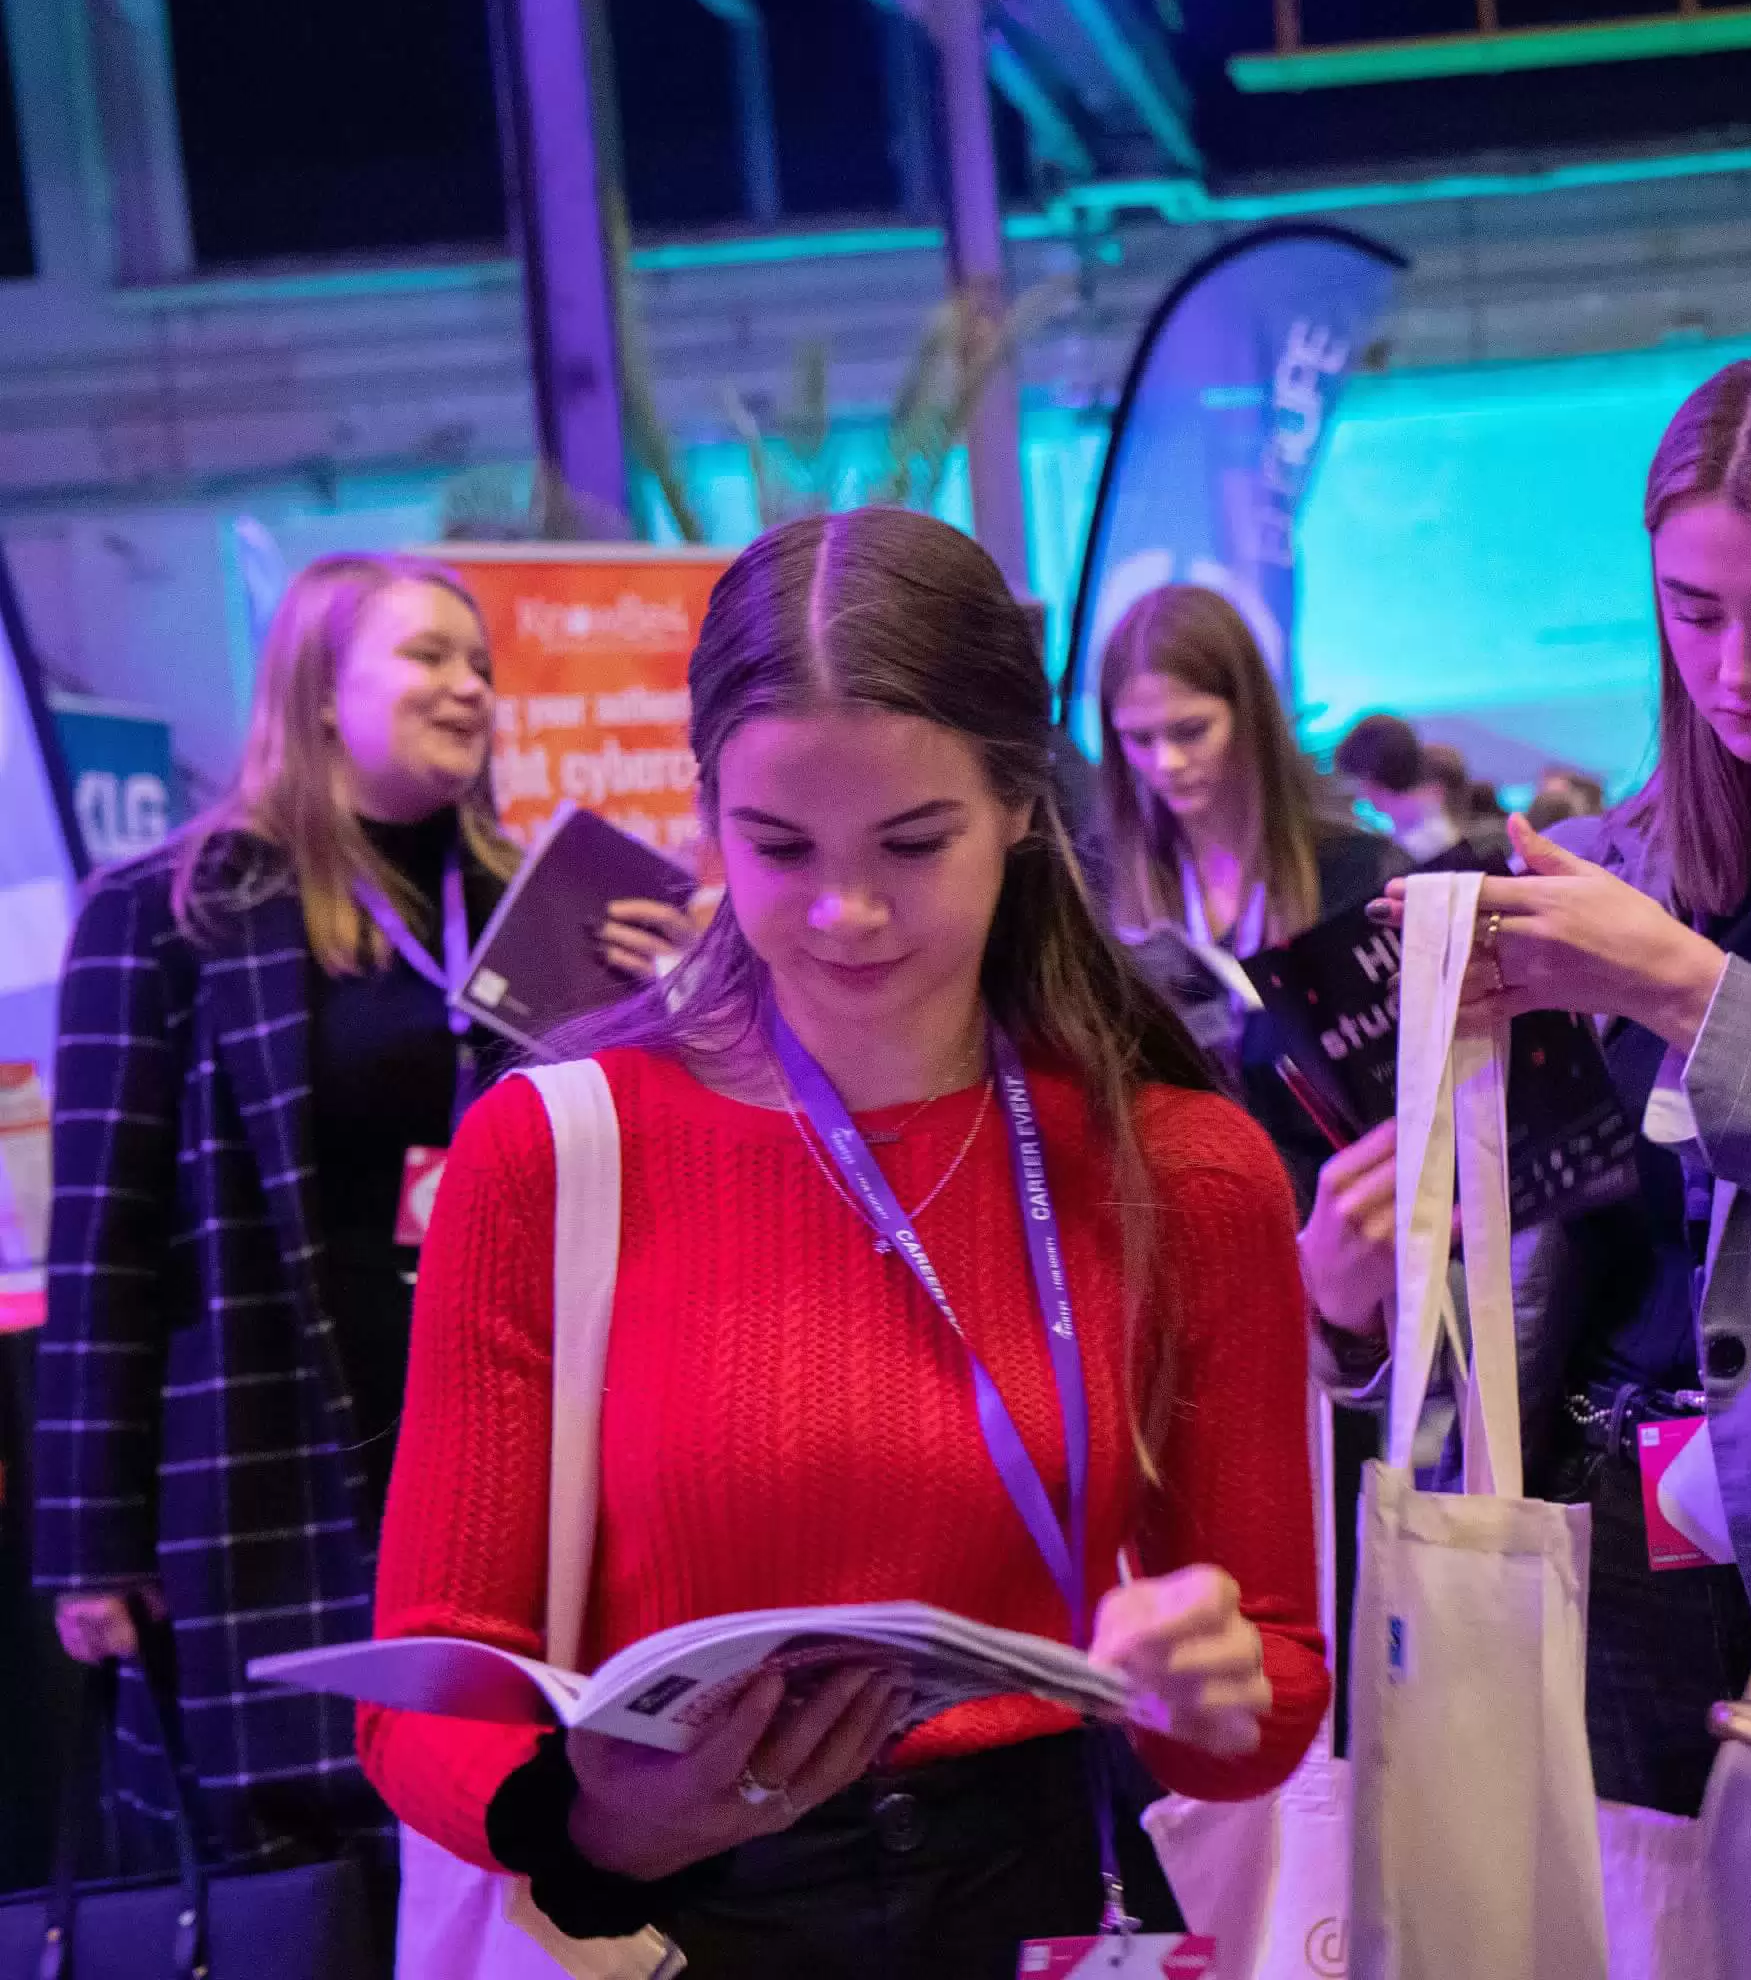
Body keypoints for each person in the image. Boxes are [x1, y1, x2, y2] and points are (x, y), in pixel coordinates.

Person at [359, 507, 1326, 1970]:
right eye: (778, 843)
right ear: (707, 815)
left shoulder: (1180, 1168)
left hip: (1056, 1893)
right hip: (682, 1920)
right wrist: (608, 1823)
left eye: (913, 840)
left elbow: (1273, 1693)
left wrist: (1208, 1683)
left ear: (1019, 804)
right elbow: (426, 1685)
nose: (847, 910)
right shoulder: (554, 1153)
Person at [1303, 350, 1751, 1820]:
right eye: (1694, 613)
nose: (1740, 668)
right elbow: (1528, 1252)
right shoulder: (1612, 865)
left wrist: (1678, 989)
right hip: (1585, 1530)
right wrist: (1355, 1283)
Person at [35, 553, 690, 1876]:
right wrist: (90, 1546)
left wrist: (667, 1016)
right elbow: (100, 1237)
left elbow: (630, 1182)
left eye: (481, 666)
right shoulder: (168, 914)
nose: (469, 687)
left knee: (509, 1827)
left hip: (507, 1436)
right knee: (301, 1863)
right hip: (268, 1455)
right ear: (323, 692)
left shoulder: (545, 906)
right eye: (430, 656)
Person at [1098, 584, 1407, 1197]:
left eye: (1190, 732)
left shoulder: (1353, 872)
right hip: (1177, 1222)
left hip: (1334, 1221)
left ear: (1249, 718)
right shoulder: (1104, 885)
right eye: (1139, 740)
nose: (1165, 764)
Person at [1333, 711, 1463, 863]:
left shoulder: (1414, 850)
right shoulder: (1430, 827)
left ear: (1371, 777)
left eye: (1360, 780)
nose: (1361, 794)